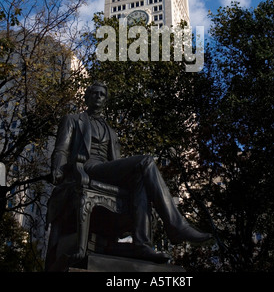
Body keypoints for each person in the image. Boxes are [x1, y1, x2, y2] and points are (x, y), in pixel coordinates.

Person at [50, 81, 212, 263]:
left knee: (140, 181)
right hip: (88, 167)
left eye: (102, 95)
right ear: (87, 97)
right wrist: (58, 169)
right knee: (146, 161)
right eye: (94, 93)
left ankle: (142, 244)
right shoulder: (72, 120)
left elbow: (116, 161)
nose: (98, 97)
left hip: (107, 170)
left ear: (105, 101)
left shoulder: (111, 131)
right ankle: (176, 226)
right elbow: (62, 149)